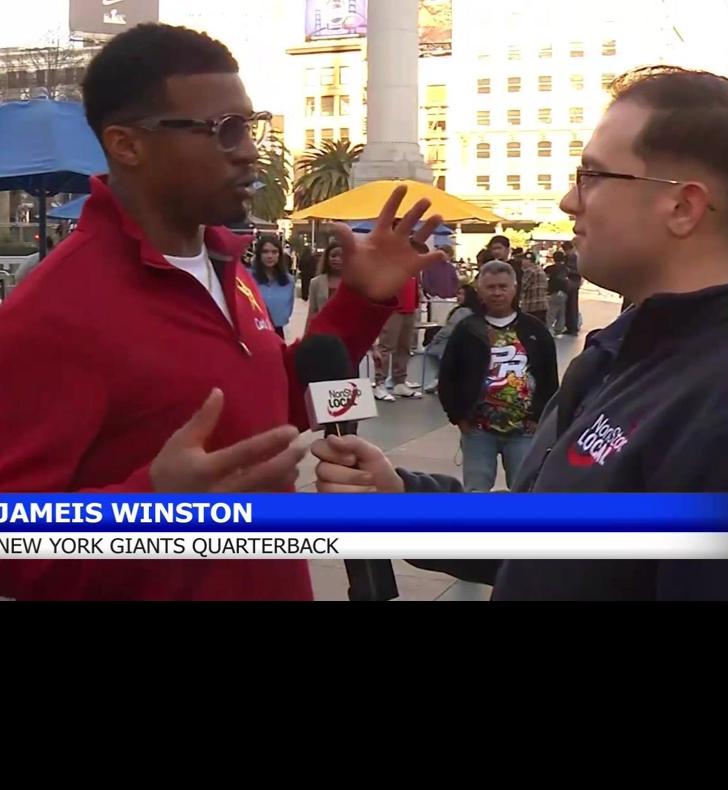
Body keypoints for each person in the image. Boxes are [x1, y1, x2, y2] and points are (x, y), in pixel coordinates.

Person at [312, 65, 728, 600]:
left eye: (592, 175)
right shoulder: (619, 356)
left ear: (682, 207)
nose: (570, 199)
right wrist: (403, 501)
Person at [0, 22, 445, 601]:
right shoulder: (50, 313)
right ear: (126, 144)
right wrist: (156, 511)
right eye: (224, 130)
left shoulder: (227, 267)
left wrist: (360, 303)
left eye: (249, 126)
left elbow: (264, 417)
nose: (250, 150)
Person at [438, 260, 559, 491]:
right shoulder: (467, 329)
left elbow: (548, 377)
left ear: (514, 289)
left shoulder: (534, 329)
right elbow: (448, 375)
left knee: (525, 489)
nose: (497, 293)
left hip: (523, 429)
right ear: (480, 290)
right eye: (490, 287)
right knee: (476, 489)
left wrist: (539, 416)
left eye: (503, 287)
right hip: (477, 429)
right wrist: (458, 416)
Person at [371, 239, 425, 400]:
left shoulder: (413, 262)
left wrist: (418, 298)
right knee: (386, 347)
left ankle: (399, 381)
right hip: (393, 309)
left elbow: (416, 283)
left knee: (405, 347)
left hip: (410, 308)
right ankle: (379, 382)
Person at [252, 233, 296, 338]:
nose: (270, 256)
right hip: (253, 331)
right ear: (259, 254)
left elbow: (288, 308)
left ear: (279, 255)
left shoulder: (288, 281)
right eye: (265, 252)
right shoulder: (248, 278)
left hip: (277, 332)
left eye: (274, 252)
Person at [305, 240, 345, 321]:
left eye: (342, 256)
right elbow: (312, 311)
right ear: (327, 258)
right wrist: (308, 332)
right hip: (322, 329)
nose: (337, 259)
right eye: (333, 256)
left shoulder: (354, 283)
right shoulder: (316, 282)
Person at [517, 248, 550, 323]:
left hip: (532, 306)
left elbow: (522, 287)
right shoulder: (540, 269)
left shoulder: (529, 271)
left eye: (523, 260)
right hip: (542, 305)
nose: (521, 262)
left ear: (529, 261)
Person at [545, 247, 571, 335]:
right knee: (561, 311)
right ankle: (559, 328)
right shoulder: (566, 269)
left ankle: (549, 329)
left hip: (553, 292)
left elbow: (545, 278)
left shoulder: (550, 268)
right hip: (564, 292)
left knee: (551, 312)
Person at [560, 239, 582, 334]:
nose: (567, 252)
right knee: (567, 306)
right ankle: (569, 326)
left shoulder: (574, 258)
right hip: (569, 284)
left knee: (572, 306)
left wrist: (567, 270)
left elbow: (578, 271)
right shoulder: (567, 257)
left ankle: (573, 327)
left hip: (573, 284)